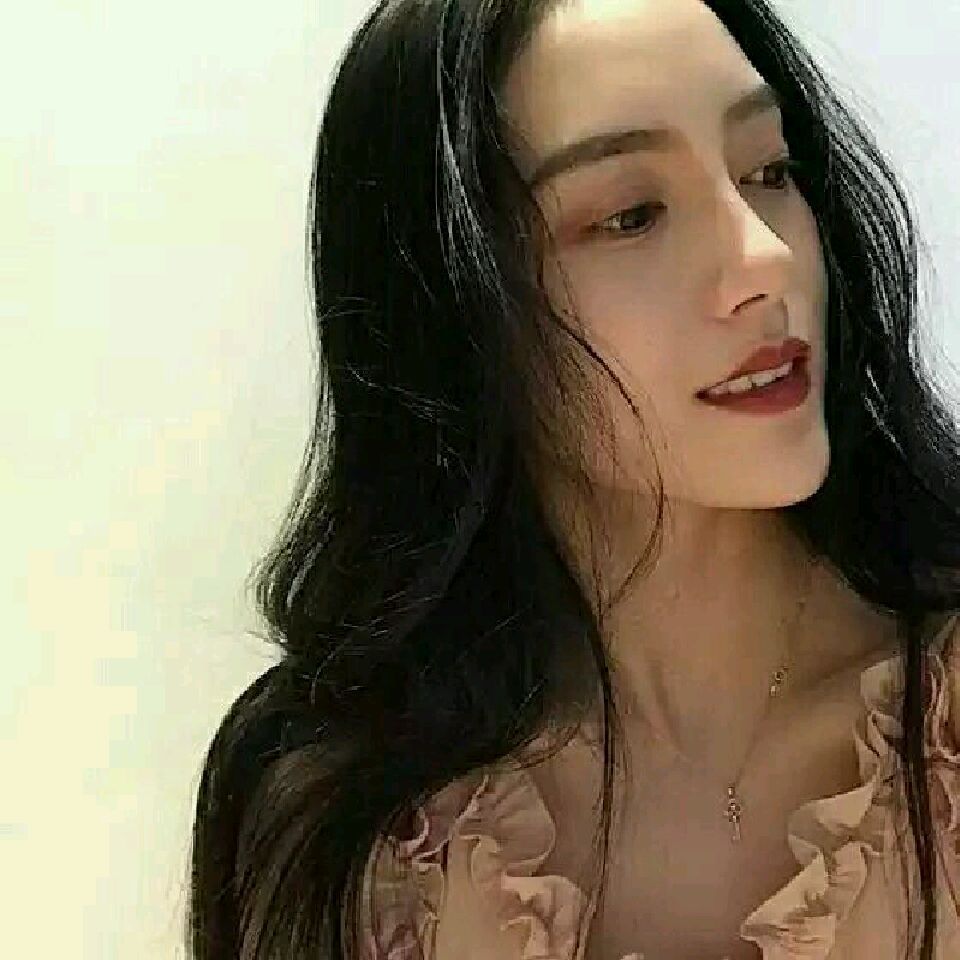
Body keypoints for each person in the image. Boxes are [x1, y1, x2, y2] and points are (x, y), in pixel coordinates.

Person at [184, 2, 960, 959]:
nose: (767, 255)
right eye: (631, 216)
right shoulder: (356, 827)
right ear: (453, 303)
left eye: (769, 171)